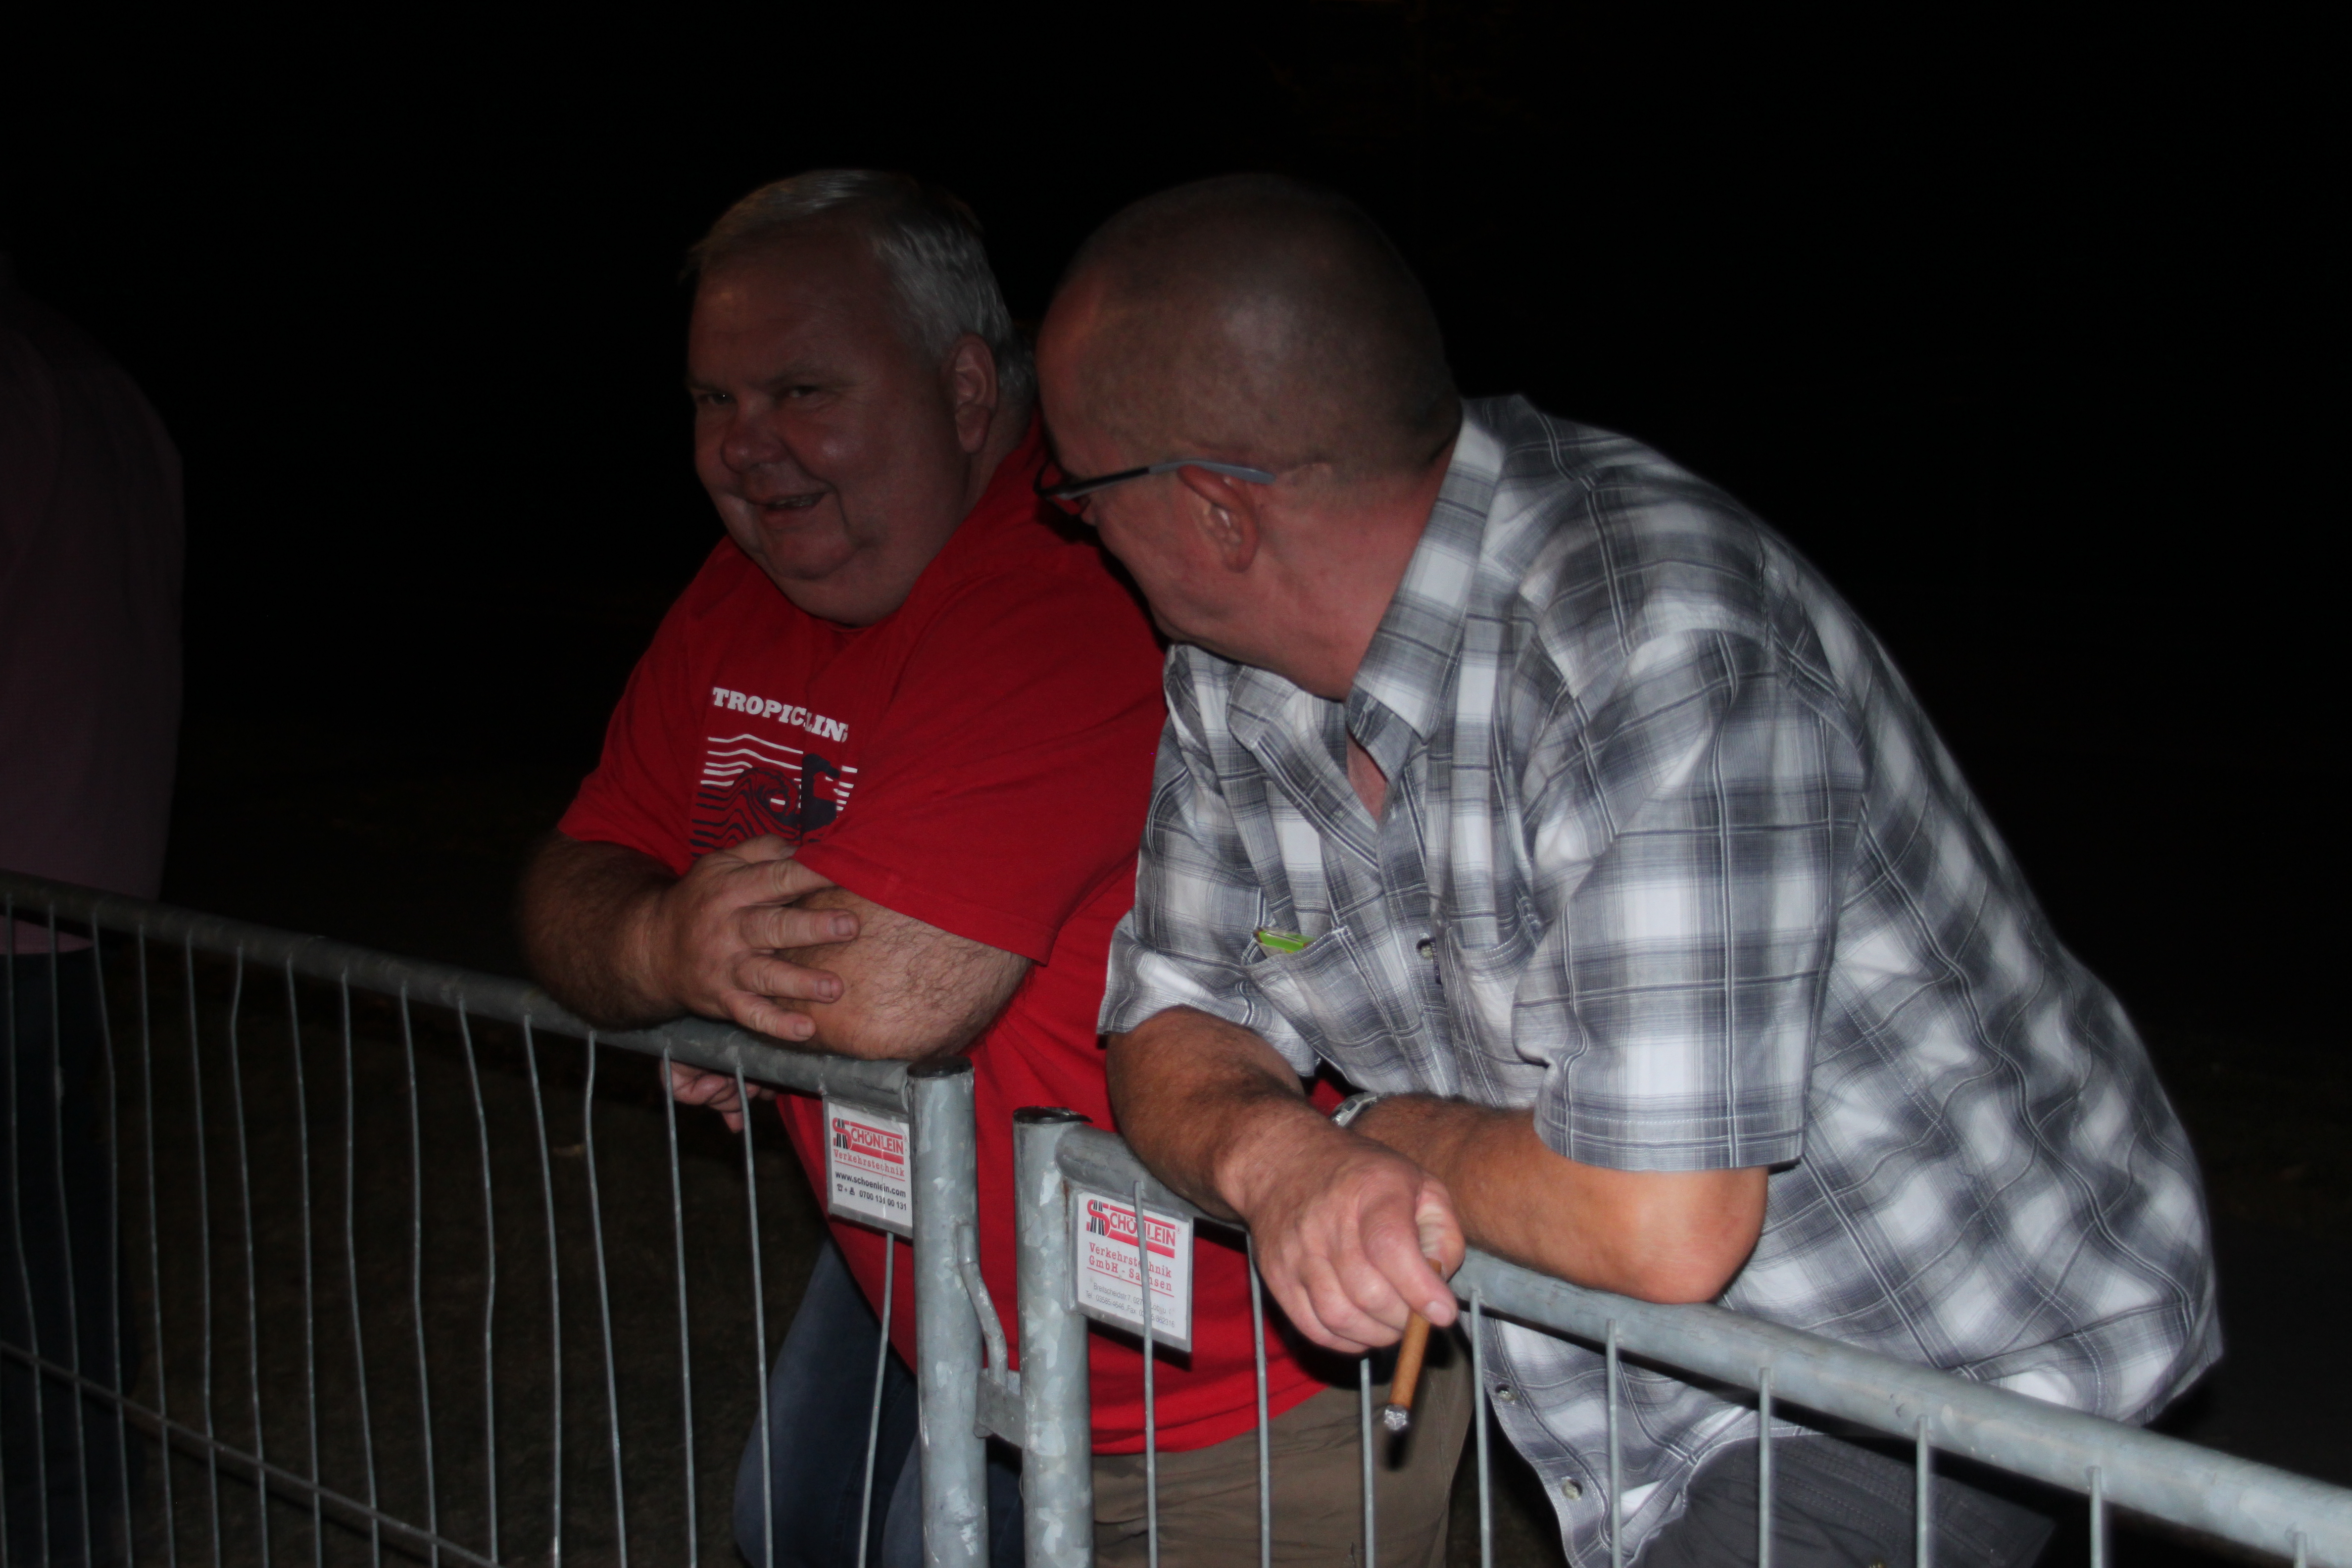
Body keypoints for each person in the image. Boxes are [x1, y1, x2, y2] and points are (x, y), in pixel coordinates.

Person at [1035, 174, 2220, 1568]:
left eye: (1078, 494)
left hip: (1933, 1353)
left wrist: (1376, 1133)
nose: (1077, 530)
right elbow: (1169, 1013)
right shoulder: (1230, 682)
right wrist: (1278, 1155)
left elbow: (1661, 1221)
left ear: (1217, 513)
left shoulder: (1647, 631)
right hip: (1647, 1389)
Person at [519, 172, 1464, 1568]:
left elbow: (888, 995)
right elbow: (568, 877)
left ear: (966, 391)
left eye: (803, 391)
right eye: (714, 400)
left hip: (1244, 1369)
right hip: (950, 1288)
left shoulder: (1070, 581)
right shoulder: (745, 588)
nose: (747, 447)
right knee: (795, 1526)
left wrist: (715, 978)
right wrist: (671, 949)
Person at [1, 252, 181, 1568]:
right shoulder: (95, 375)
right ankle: (74, 1501)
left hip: (24, 882)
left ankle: (57, 1515)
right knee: (48, 1219)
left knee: (34, 1240)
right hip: (79, 880)